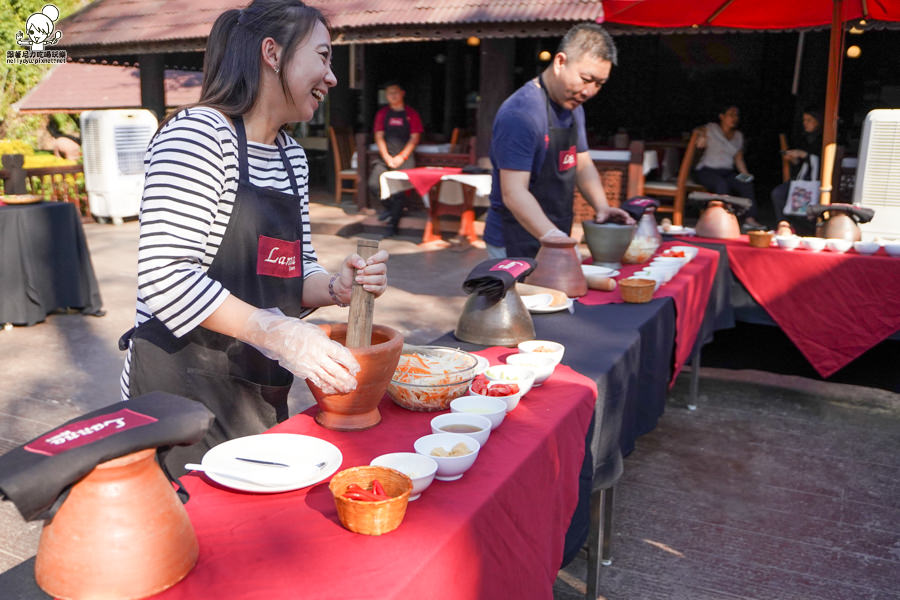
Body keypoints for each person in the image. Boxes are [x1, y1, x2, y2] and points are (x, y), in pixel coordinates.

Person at [118, 0, 388, 475]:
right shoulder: (199, 135)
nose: (333, 78)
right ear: (272, 53)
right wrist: (277, 332)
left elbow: (289, 268)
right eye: (323, 57)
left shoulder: (291, 158)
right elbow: (166, 278)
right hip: (179, 391)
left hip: (255, 389)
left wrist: (332, 287)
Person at [483, 23, 633, 259]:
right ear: (560, 62)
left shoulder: (573, 106)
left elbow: (582, 164)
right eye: (586, 79)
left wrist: (602, 206)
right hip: (514, 239)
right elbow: (513, 193)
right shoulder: (521, 114)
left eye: (599, 84)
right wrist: (554, 239)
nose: (589, 91)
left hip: (554, 234)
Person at [368, 82, 424, 235]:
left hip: (404, 157)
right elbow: (378, 136)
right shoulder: (383, 113)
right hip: (385, 157)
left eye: (395, 92)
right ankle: (391, 208)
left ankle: (392, 226)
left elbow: (414, 138)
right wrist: (386, 157)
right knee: (374, 184)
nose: (392, 95)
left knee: (399, 191)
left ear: (402, 93)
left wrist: (401, 157)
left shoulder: (411, 114)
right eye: (389, 93)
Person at [693, 104, 761, 228]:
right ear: (722, 116)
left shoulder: (738, 136)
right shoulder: (711, 128)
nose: (734, 118)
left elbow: (738, 159)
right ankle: (721, 220)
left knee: (746, 182)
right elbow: (697, 130)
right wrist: (702, 135)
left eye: (736, 115)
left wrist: (746, 175)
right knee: (721, 184)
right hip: (707, 170)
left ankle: (750, 219)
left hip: (728, 172)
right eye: (731, 115)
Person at [771, 107, 823, 224]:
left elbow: (822, 161)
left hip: (819, 180)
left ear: (818, 121)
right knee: (778, 193)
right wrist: (793, 158)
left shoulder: (824, 139)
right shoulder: (804, 138)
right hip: (801, 179)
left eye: (809, 120)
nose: (805, 123)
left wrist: (803, 154)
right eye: (804, 120)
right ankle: (784, 225)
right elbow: (800, 165)